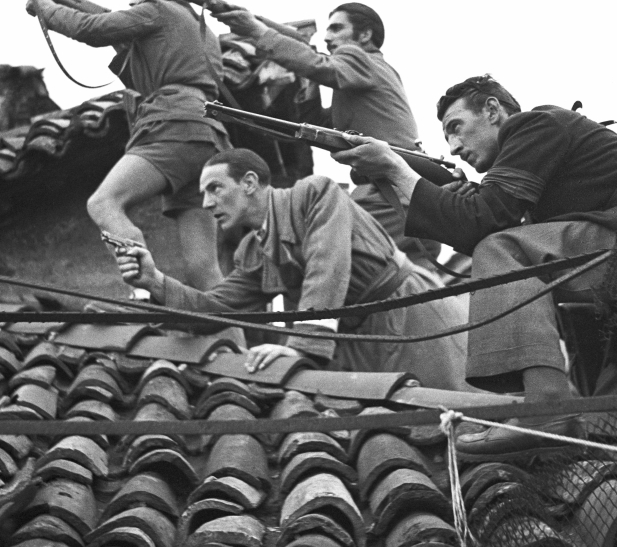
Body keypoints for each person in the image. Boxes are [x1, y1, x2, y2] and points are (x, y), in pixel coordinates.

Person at [333, 75, 617, 455]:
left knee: (502, 249)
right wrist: (391, 176)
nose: (454, 146)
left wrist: (394, 166)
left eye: (456, 127)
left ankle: (544, 403)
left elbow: (482, 222)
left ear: (493, 111)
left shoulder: (536, 125)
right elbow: (463, 213)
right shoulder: (534, 169)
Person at [114, 147, 470, 391]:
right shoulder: (253, 250)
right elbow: (217, 308)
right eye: (204, 193)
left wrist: (301, 345)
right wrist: (155, 281)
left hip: (411, 315)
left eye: (215, 188)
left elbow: (326, 263)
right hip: (356, 340)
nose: (206, 203)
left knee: (449, 416)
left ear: (250, 183)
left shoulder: (315, 194)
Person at [26, 0, 230, 290]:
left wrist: (45, 7)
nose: (132, 0)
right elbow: (146, 74)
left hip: (171, 125)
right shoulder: (202, 33)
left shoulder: (159, 10)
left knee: (104, 203)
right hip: (208, 137)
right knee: (204, 267)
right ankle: (234, 338)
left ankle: (143, 291)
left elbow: (88, 29)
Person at [214, 1, 441, 267]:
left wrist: (257, 31)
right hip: (406, 195)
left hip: (387, 195)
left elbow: (320, 67)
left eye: (336, 28)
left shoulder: (359, 58)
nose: (327, 36)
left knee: (318, 250)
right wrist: (305, 71)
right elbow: (317, 122)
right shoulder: (372, 73)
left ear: (365, 35)